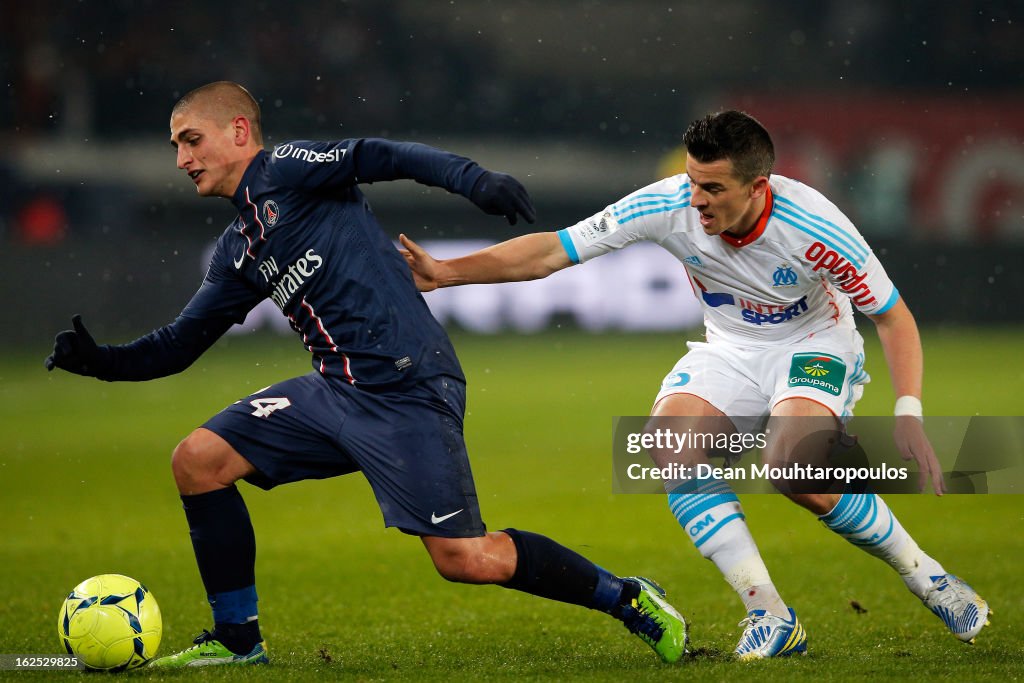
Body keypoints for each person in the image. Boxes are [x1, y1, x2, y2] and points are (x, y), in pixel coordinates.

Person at [44, 81, 689, 668]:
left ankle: (628, 598)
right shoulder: (240, 249)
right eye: (175, 146)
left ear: (239, 132)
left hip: (409, 386)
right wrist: (102, 363)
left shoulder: (289, 170)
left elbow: (384, 154)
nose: (182, 159)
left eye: (192, 140)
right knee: (198, 461)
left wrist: (474, 181)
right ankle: (238, 641)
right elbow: (179, 345)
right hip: (335, 392)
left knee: (465, 559)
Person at [399, 110, 991, 660]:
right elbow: (554, 251)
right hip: (731, 347)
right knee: (668, 443)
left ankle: (927, 576)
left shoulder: (814, 228)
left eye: (714, 189)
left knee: (794, 470)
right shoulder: (667, 204)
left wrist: (909, 410)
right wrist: (447, 273)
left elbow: (893, 315)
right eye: (692, 182)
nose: (697, 200)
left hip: (813, 345)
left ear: (759, 186)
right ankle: (771, 616)